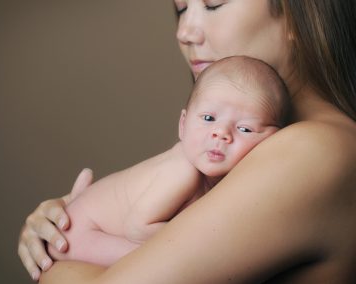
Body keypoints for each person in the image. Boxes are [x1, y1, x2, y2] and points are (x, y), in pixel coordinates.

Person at [18, 1, 356, 283]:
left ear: (300, 14)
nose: (184, 32)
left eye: (213, 4)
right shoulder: (256, 151)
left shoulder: (312, 150)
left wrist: (59, 259)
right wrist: (67, 224)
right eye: (181, 8)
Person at [47, 56, 290, 267]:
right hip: (78, 232)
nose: (221, 133)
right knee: (153, 262)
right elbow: (137, 227)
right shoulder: (183, 170)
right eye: (208, 118)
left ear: (274, 140)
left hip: (87, 221)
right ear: (183, 125)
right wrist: (201, 244)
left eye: (245, 129)